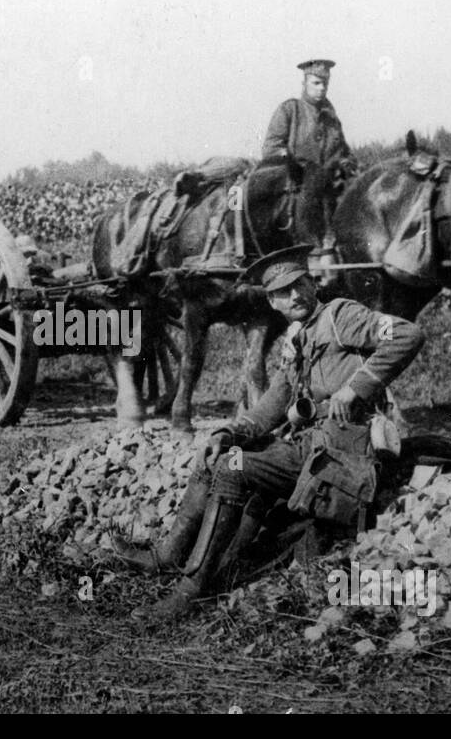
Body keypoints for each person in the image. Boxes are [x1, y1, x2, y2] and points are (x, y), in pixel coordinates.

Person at [112, 245, 425, 621]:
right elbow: (274, 403)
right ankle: (167, 556)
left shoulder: (341, 316)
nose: (293, 296)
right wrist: (229, 431)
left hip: (342, 457)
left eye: (298, 284)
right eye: (281, 292)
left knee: (232, 467)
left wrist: (355, 388)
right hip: (309, 451)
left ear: (312, 283)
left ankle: (189, 592)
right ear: (272, 303)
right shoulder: (297, 339)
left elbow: (408, 333)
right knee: (216, 454)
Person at [262, 58, 358, 225]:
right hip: (295, 188)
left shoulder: (332, 119)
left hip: (330, 190)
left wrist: (346, 164)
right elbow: (271, 148)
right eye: (316, 83)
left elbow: (344, 152)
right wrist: (293, 163)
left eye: (325, 84)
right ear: (304, 83)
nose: (322, 88)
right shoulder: (290, 110)